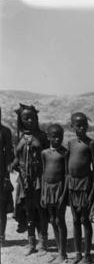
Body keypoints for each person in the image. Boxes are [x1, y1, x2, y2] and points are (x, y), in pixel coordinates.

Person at [11, 104, 49, 255]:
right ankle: (31, 242)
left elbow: (48, 156)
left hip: (39, 179)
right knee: (28, 210)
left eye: (32, 117)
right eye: (25, 118)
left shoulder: (42, 136)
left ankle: (43, 241)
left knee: (41, 209)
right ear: (21, 120)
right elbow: (17, 156)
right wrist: (14, 165)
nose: (29, 120)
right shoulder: (19, 137)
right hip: (24, 179)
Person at [66, 112, 94, 264]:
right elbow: (67, 167)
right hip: (73, 186)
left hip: (86, 185)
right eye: (78, 125)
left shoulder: (91, 144)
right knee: (75, 220)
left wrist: (93, 189)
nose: (82, 128)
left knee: (85, 220)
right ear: (72, 126)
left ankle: (88, 255)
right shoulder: (71, 144)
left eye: (84, 124)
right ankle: (78, 253)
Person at [41, 124, 68, 264]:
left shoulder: (64, 153)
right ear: (48, 137)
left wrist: (64, 194)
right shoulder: (44, 153)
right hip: (48, 189)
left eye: (60, 136)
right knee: (52, 220)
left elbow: (67, 175)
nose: (57, 139)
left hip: (60, 189)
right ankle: (59, 252)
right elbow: (43, 173)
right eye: (54, 136)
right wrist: (43, 194)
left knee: (59, 220)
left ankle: (63, 254)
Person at [0, 107, 15, 248]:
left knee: (2, 208)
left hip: (1, 174)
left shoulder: (5, 132)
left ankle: (1, 237)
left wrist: (6, 176)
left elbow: (9, 155)